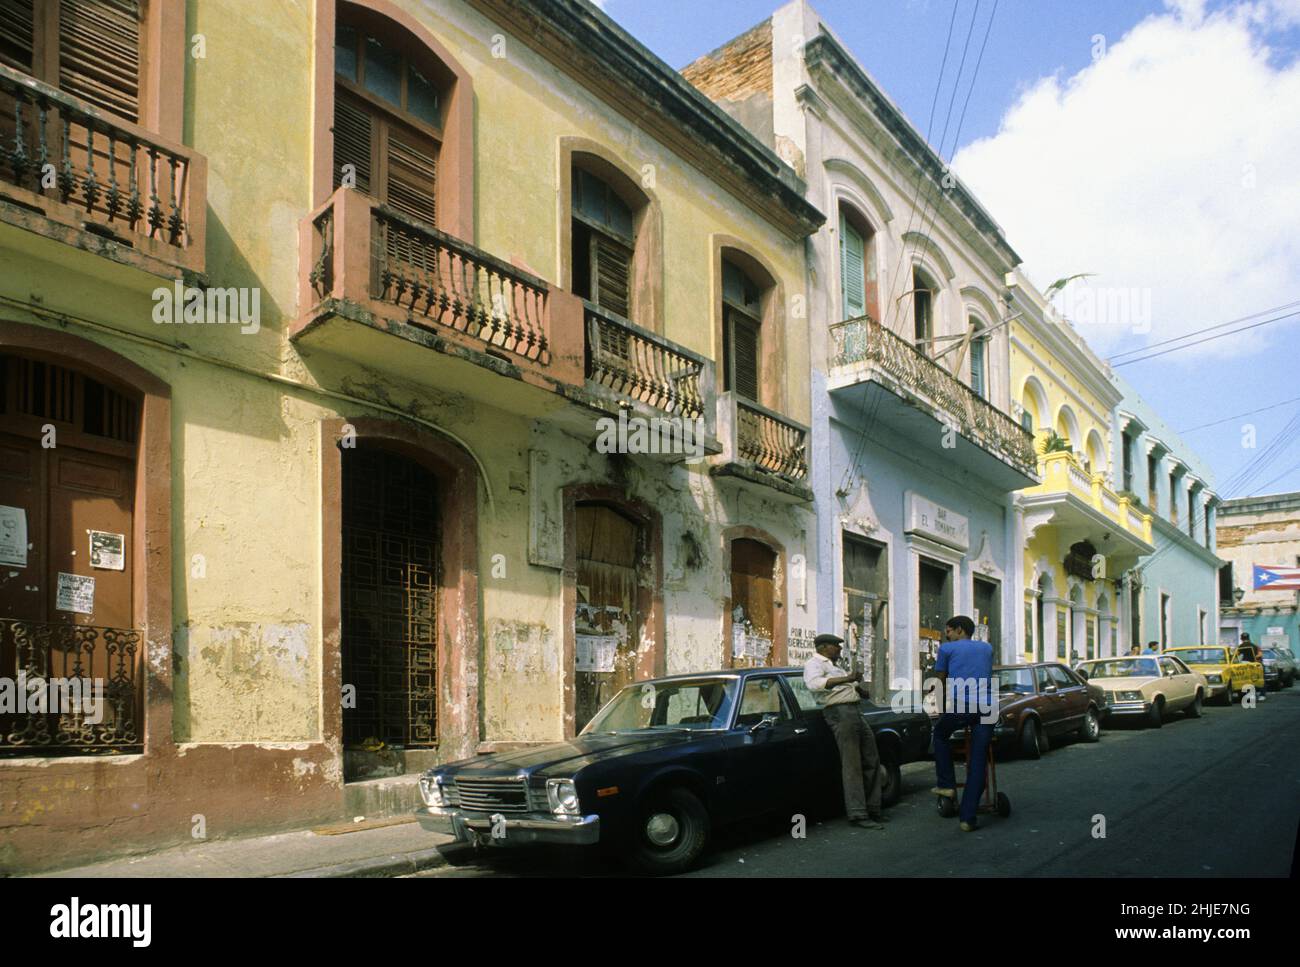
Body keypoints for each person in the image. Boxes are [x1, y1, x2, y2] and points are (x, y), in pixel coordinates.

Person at [803, 632, 887, 829]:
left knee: (871, 759)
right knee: (852, 764)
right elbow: (815, 685)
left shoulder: (836, 667)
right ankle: (858, 813)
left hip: (855, 710)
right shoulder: (814, 664)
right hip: (839, 712)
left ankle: (873, 807)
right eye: (836, 645)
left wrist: (858, 687)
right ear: (823, 647)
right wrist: (848, 678)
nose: (839, 649)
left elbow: (849, 685)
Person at [931, 615, 995, 833]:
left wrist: (936, 703)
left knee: (939, 735)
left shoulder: (947, 650)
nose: (946, 635)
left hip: (963, 705)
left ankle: (947, 785)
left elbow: (939, 680)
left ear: (959, 630)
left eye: (948, 630)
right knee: (978, 762)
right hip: (988, 708)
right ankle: (968, 818)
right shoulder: (987, 648)